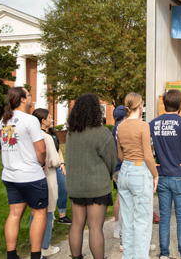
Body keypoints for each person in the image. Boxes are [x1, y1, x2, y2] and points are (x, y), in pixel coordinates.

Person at [65, 93, 117, 259]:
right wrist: (109, 174)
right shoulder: (102, 133)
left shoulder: (71, 133)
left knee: (77, 224)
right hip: (96, 186)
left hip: (76, 186)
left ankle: (76, 257)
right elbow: (112, 161)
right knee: (95, 227)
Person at [0, 87, 47, 259]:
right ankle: (35, 256)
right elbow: (41, 149)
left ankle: (11, 255)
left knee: (14, 214)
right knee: (39, 214)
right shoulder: (30, 120)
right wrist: (42, 162)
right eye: (30, 96)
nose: (32, 98)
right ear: (23, 99)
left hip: (10, 175)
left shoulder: (3, 121)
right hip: (30, 175)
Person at [149, 89, 181, 259]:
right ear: (180, 105)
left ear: (164, 104)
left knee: (164, 218)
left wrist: (151, 162)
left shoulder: (153, 123)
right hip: (179, 175)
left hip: (161, 175)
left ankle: (164, 254)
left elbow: (144, 144)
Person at [117, 93, 159, 259]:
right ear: (140, 106)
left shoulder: (120, 126)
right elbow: (148, 156)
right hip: (139, 171)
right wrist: (155, 175)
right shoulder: (143, 126)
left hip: (125, 171)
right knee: (142, 221)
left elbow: (120, 155)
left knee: (127, 221)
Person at [31, 108, 65, 256]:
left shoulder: (30, 135)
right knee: (49, 211)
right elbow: (53, 160)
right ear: (43, 120)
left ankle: (36, 246)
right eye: (50, 117)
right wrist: (60, 163)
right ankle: (45, 246)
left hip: (32, 177)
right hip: (48, 176)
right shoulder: (46, 137)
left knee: (35, 213)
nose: (52, 120)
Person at [47, 126, 72, 225]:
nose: (52, 121)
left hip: (58, 165)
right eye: (49, 118)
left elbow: (58, 150)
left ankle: (62, 216)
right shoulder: (39, 135)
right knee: (49, 191)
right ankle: (49, 215)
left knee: (62, 187)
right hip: (47, 166)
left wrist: (62, 163)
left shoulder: (53, 134)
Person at [112, 105, 126, 249]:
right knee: (125, 200)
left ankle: (117, 227)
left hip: (116, 166)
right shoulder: (124, 126)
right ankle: (123, 232)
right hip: (124, 166)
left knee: (119, 197)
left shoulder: (113, 128)